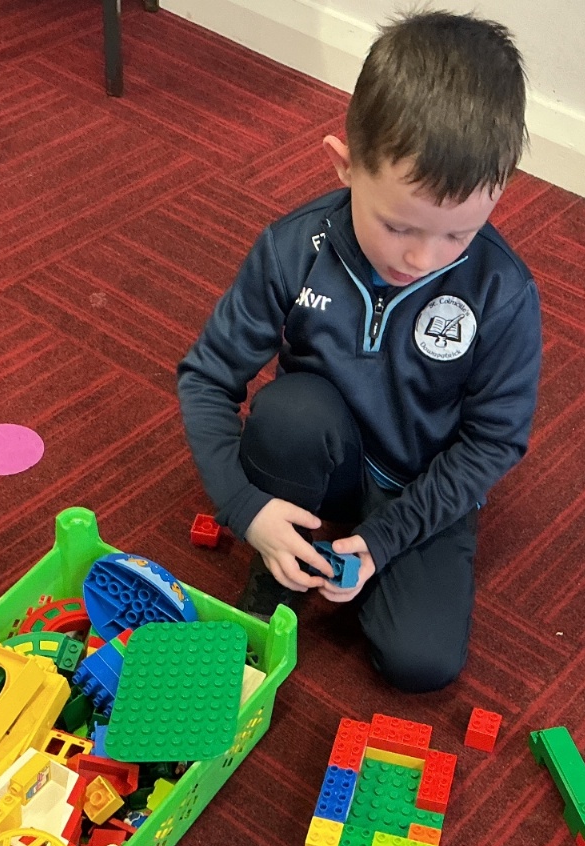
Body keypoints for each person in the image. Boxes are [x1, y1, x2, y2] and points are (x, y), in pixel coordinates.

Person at [177, 10, 541, 692]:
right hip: (323, 449)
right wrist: (245, 508)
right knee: (289, 414)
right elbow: (205, 379)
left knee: (420, 663)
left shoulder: (503, 292)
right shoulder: (292, 247)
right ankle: (279, 565)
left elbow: (493, 443)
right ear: (345, 166)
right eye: (398, 225)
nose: (421, 258)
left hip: (422, 484)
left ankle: (365, 552)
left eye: (457, 234)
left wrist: (386, 539)